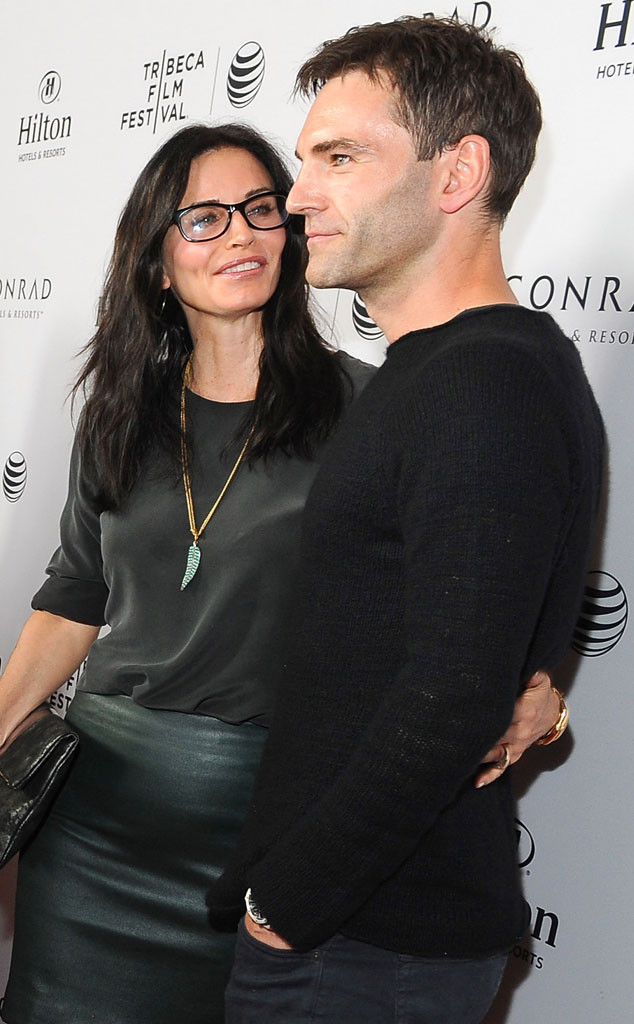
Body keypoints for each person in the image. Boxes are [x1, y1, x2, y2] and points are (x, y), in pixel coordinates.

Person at [0, 121, 558, 1023]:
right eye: (206, 218)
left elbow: (460, 610)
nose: (243, 235)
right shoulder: (117, 418)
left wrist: (538, 695)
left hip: (268, 826)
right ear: (156, 258)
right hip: (96, 825)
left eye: (263, 210)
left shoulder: (371, 409)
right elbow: (73, 594)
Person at [209, 17, 605, 1024]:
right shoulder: (451, 371)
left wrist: (286, 907)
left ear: (457, 172)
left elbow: (453, 693)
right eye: (306, 160)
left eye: (341, 157)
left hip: (363, 949)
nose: (297, 196)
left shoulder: (482, 382)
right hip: (360, 935)